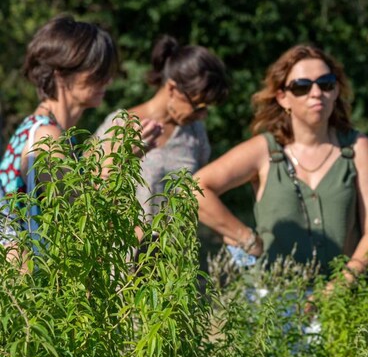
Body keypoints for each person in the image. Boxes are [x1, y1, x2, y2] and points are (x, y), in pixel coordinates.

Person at [194, 44, 368, 282]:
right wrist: (245, 238)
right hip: (275, 301)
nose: (316, 93)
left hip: (342, 305)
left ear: (336, 91)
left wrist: (340, 286)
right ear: (283, 97)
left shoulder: (356, 147)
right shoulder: (264, 150)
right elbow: (193, 189)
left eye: (325, 83)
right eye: (302, 87)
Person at [0, 15, 120, 231]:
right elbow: (82, 223)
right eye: (98, 72)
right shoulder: (47, 137)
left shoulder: (52, 132)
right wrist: (120, 161)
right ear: (62, 74)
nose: (108, 81)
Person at [95, 36, 229, 219]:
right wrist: (123, 159)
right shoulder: (120, 125)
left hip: (176, 246)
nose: (203, 115)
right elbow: (90, 195)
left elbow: (199, 195)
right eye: (199, 107)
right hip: (129, 246)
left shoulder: (195, 132)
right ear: (173, 89)